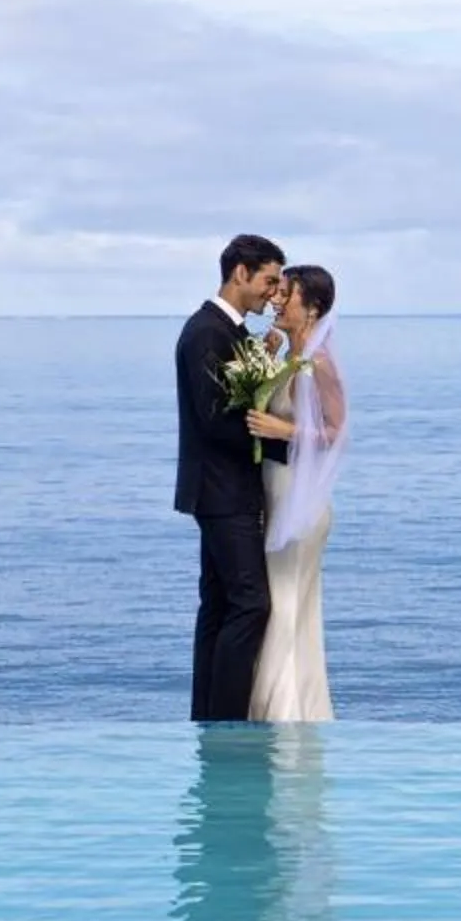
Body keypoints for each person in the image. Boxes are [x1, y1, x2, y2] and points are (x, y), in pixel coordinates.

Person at [176, 233, 285, 721]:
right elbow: (218, 419)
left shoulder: (232, 333)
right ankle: (228, 719)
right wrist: (286, 444)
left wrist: (265, 360)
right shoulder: (207, 332)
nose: (274, 291)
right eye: (268, 279)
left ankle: (211, 718)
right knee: (251, 604)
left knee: (220, 605)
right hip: (222, 490)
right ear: (240, 273)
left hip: (224, 489)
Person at [246, 265, 344, 722]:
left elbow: (337, 431)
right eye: (278, 292)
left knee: (286, 603)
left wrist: (283, 428)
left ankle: (282, 713)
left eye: (288, 294)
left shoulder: (319, 361)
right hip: (274, 492)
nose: (278, 301)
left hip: (298, 500)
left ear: (313, 308)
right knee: (282, 603)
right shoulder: (289, 356)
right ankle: (287, 706)